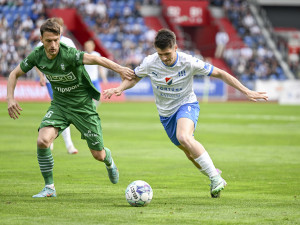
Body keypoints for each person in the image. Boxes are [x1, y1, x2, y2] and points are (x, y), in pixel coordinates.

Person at [103, 29, 268, 198]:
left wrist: (246, 91)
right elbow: (134, 77)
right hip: (166, 115)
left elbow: (220, 73)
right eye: (160, 54)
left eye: (167, 53)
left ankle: (214, 177)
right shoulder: (150, 62)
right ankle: (215, 175)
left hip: (186, 104)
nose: (164, 58)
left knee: (184, 137)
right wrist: (119, 88)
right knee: (189, 154)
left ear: (175, 47)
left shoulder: (188, 61)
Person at [7, 19, 135, 198]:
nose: (53, 45)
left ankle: (109, 161)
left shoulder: (69, 54)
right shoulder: (37, 55)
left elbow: (96, 59)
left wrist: (120, 69)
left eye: (56, 40)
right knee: (43, 140)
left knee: (98, 154)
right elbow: (14, 74)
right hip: (59, 105)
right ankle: (49, 188)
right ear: (41, 40)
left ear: (60, 39)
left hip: (83, 107)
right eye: (49, 40)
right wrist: (11, 98)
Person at [36, 17, 78, 154]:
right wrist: (42, 76)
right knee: (63, 111)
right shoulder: (41, 44)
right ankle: (68, 145)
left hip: (69, 83)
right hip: (52, 82)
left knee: (62, 111)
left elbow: (76, 60)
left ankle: (50, 139)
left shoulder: (68, 42)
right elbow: (34, 61)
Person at [84, 40, 108, 107]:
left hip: (95, 79)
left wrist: (104, 78)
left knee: (98, 96)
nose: (89, 47)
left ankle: (94, 109)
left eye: (90, 46)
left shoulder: (96, 55)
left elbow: (100, 68)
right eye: (87, 46)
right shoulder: (83, 55)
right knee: (86, 97)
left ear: (93, 46)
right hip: (86, 80)